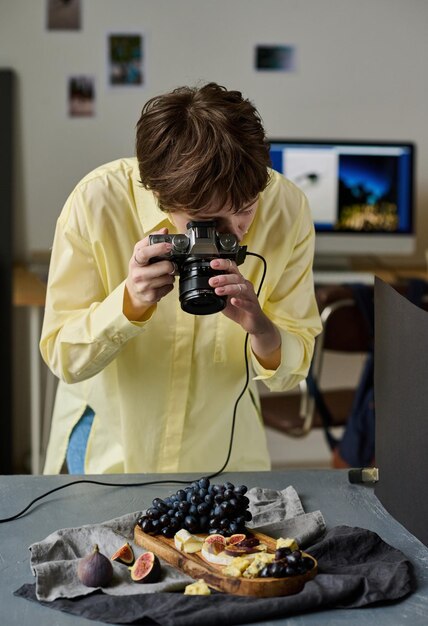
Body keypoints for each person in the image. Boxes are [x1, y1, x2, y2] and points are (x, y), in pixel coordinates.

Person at [40, 82, 322, 475]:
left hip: (224, 452)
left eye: (244, 208)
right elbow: (64, 359)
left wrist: (262, 330)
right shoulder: (96, 203)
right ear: (159, 195)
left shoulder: (286, 208)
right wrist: (129, 304)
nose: (235, 233)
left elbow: (293, 371)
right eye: (207, 221)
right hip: (110, 453)